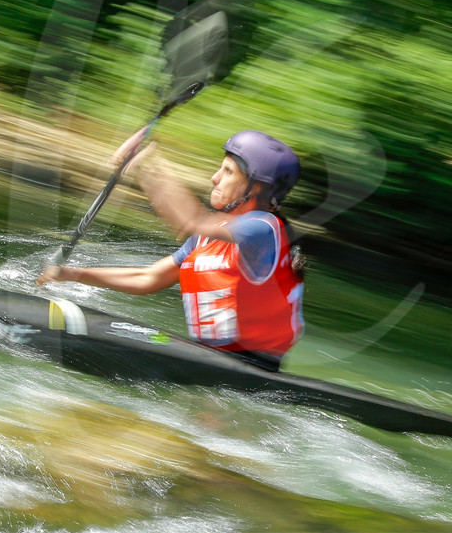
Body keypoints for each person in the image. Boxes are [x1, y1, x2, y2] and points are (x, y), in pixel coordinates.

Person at [37, 130, 304, 369]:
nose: (214, 178)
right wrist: (72, 274)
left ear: (255, 188)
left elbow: (191, 220)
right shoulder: (208, 237)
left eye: (228, 172)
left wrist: (146, 162)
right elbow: (149, 278)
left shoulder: (265, 229)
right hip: (209, 358)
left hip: (254, 367)